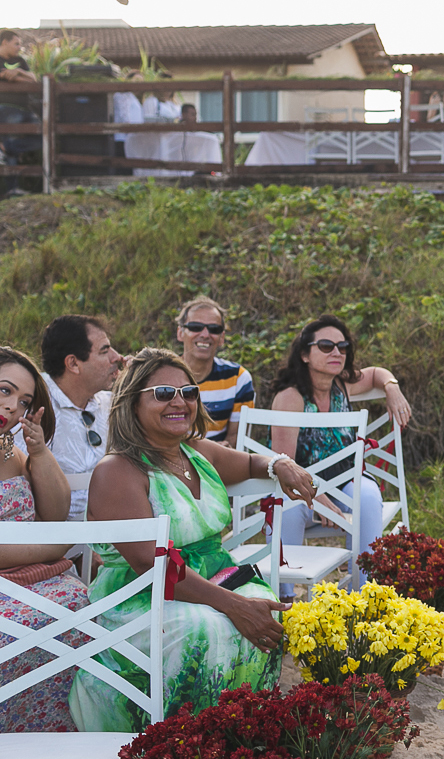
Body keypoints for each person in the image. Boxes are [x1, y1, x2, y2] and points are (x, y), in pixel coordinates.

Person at [70, 348, 317, 731]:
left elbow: (251, 463)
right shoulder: (118, 470)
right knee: (205, 629)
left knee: (263, 611)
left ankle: (240, 736)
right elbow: (151, 564)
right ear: (132, 402)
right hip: (143, 595)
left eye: (188, 392)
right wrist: (233, 605)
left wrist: (279, 462)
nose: (179, 401)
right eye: (163, 393)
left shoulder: (196, 452)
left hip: (214, 577)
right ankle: (182, 742)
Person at [268, 315, 413, 601]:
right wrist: (318, 496)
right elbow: (284, 463)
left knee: (368, 497)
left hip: (346, 480)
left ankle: (364, 593)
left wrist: (391, 387)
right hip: (298, 486)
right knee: (286, 508)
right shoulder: (290, 397)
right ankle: (284, 596)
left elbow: (376, 373)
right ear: (305, 354)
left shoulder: (342, 384)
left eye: (342, 346)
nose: (337, 352)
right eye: (326, 346)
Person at [0, 346, 86, 733]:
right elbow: (55, 535)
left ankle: (63, 743)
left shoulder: (10, 450)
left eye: (24, 401)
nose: (13, 407)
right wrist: (52, 547)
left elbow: (54, 514)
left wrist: (37, 452)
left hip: (44, 583)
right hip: (17, 589)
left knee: (86, 612)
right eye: (5, 390)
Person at [16, 316, 126, 521]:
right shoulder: (31, 406)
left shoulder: (113, 403)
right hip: (54, 534)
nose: (117, 357)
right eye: (104, 351)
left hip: (112, 529)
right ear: (73, 364)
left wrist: (138, 378)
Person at [176, 296, 254, 446]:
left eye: (214, 329)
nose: (205, 334)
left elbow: (236, 439)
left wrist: (222, 451)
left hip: (217, 459)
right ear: (180, 333)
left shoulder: (238, 378)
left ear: (222, 337)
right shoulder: (160, 376)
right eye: (195, 327)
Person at [0, 31, 39, 197]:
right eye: (16, 43)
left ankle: (4, 148)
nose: (19, 47)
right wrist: (19, 78)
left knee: (42, 133)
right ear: (4, 42)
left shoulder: (20, 61)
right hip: (6, 108)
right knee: (12, 144)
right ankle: (12, 189)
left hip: (26, 109)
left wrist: (18, 72)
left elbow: (34, 79)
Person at [112, 70, 144, 165]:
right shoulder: (123, 95)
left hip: (132, 139)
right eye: (136, 80)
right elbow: (124, 117)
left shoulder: (133, 97)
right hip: (124, 139)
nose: (138, 84)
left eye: (141, 82)